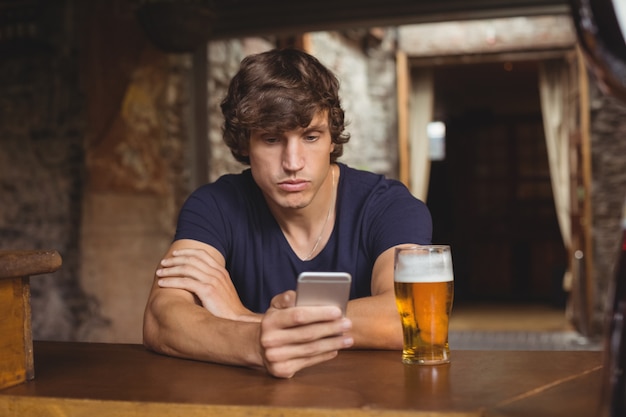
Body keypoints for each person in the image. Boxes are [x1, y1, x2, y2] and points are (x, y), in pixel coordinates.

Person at [142, 48, 432, 378]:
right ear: (244, 144)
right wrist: (255, 341)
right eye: (271, 139)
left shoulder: (387, 206)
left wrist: (245, 319)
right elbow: (161, 318)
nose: (293, 163)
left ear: (331, 139)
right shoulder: (214, 206)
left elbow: (411, 316)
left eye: (310, 136)